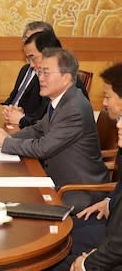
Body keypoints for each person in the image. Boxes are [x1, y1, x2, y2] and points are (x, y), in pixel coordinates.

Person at [0, 48, 108, 212]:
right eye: (39, 72)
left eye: (46, 73)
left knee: (5, 205)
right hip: (55, 179)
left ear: (66, 78)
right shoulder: (62, 99)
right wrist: (8, 137)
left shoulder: (74, 107)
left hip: (77, 191)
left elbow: (43, 148)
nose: (40, 78)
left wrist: (5, 142)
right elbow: (38, 129)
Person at [68, 64, 122, 270]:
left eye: (108, 97)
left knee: (58, 249)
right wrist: (110, 201)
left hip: (113, 243)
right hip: (111, 222)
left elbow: (117, 247)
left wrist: (88, 264)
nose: (104, 103)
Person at [2, 22, 89, 128]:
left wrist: (21, 120)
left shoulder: (68, 88)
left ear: (48, 54)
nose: (31, 65)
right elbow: (41, 125)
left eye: (33, 58)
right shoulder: (49, 80)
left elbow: (48, 134)